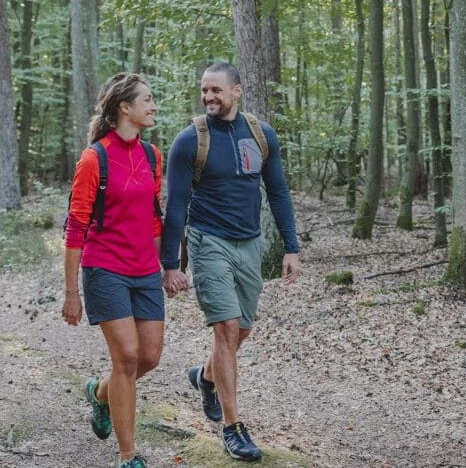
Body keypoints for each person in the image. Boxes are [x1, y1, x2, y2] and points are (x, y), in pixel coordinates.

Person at [160, 62, 301, 462]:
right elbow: (176, 207)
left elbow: (278, 192)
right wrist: (171, 264)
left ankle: (204, 376)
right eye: (204, 90)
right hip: (208, 242)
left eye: (216, 91)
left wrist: (292, 248)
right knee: (225, 328)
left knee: (241, 331)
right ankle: (233, 428)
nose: (208, 97)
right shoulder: (189, 141)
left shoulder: (261, 134)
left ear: (237, 91)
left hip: (250, 245)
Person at [62, 73, 186, 468]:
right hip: (105, 269)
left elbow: (153, 218)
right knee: (127, 357)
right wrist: (71, 292)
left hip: (145, 271)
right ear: (124, 108)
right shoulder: (93, 158)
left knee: (149, 356)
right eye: (147, 100)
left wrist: (167, 267)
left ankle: (99, 393)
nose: (154, 106)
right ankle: (128, 455)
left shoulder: (152, 155)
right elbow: (76, 226)